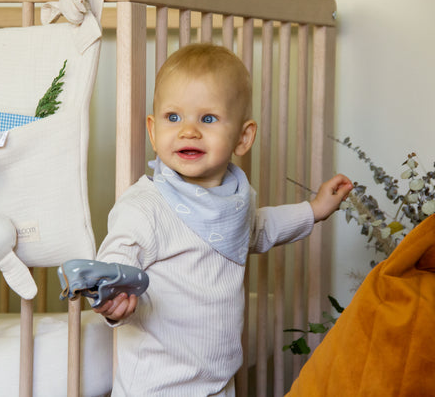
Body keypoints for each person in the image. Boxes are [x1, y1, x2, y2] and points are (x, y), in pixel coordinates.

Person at [94, 43, 353, 396]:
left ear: (243, 138)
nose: (188, 131)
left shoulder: (233, 202)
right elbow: (116, 258)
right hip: (156, 385)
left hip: (217, 381)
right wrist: (113, 300)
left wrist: (314, 210)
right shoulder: (146, 206)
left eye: (208, 118)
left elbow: (259, 229)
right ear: (153, 131)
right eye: (174, 117)